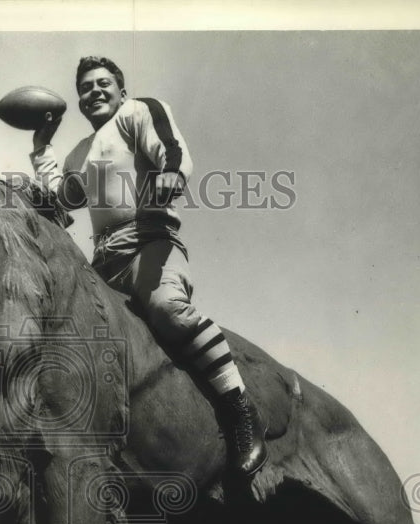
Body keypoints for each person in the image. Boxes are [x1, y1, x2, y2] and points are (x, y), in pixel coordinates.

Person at [30, 55, 267, 479]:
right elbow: (62, 200)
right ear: (80, 103)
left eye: (104, 83)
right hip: (103, 264)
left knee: (167, 309)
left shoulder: (136, 111)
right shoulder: (80, 153)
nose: (95, 91)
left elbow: (170, 148)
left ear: (121, 90)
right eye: (86, 88)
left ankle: (240, 410)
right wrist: (41, 148)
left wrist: (171, 172)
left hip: (149, 245)